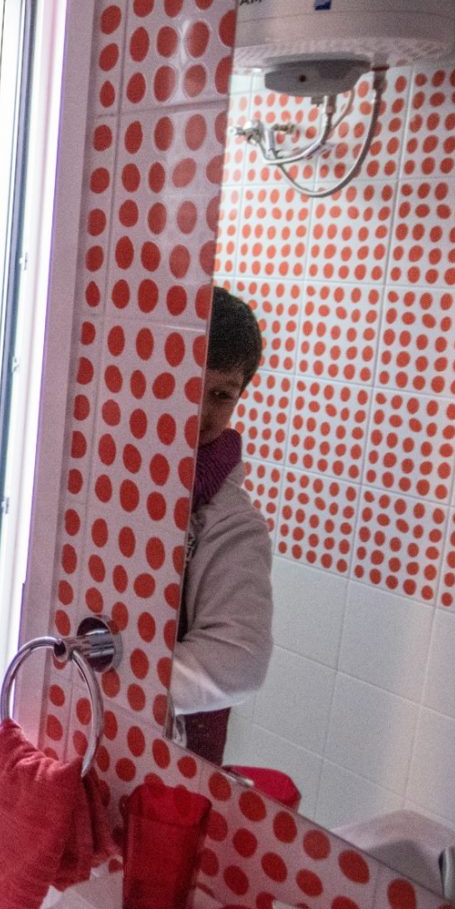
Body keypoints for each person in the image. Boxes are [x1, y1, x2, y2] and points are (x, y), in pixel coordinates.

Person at [168, 285, 274, 766]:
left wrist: (111, 682)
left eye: (221, 395)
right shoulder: (120, 474)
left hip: (171, 760)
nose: (200, 411)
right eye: (190, 382)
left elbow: (239, 662)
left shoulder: (233, 523)